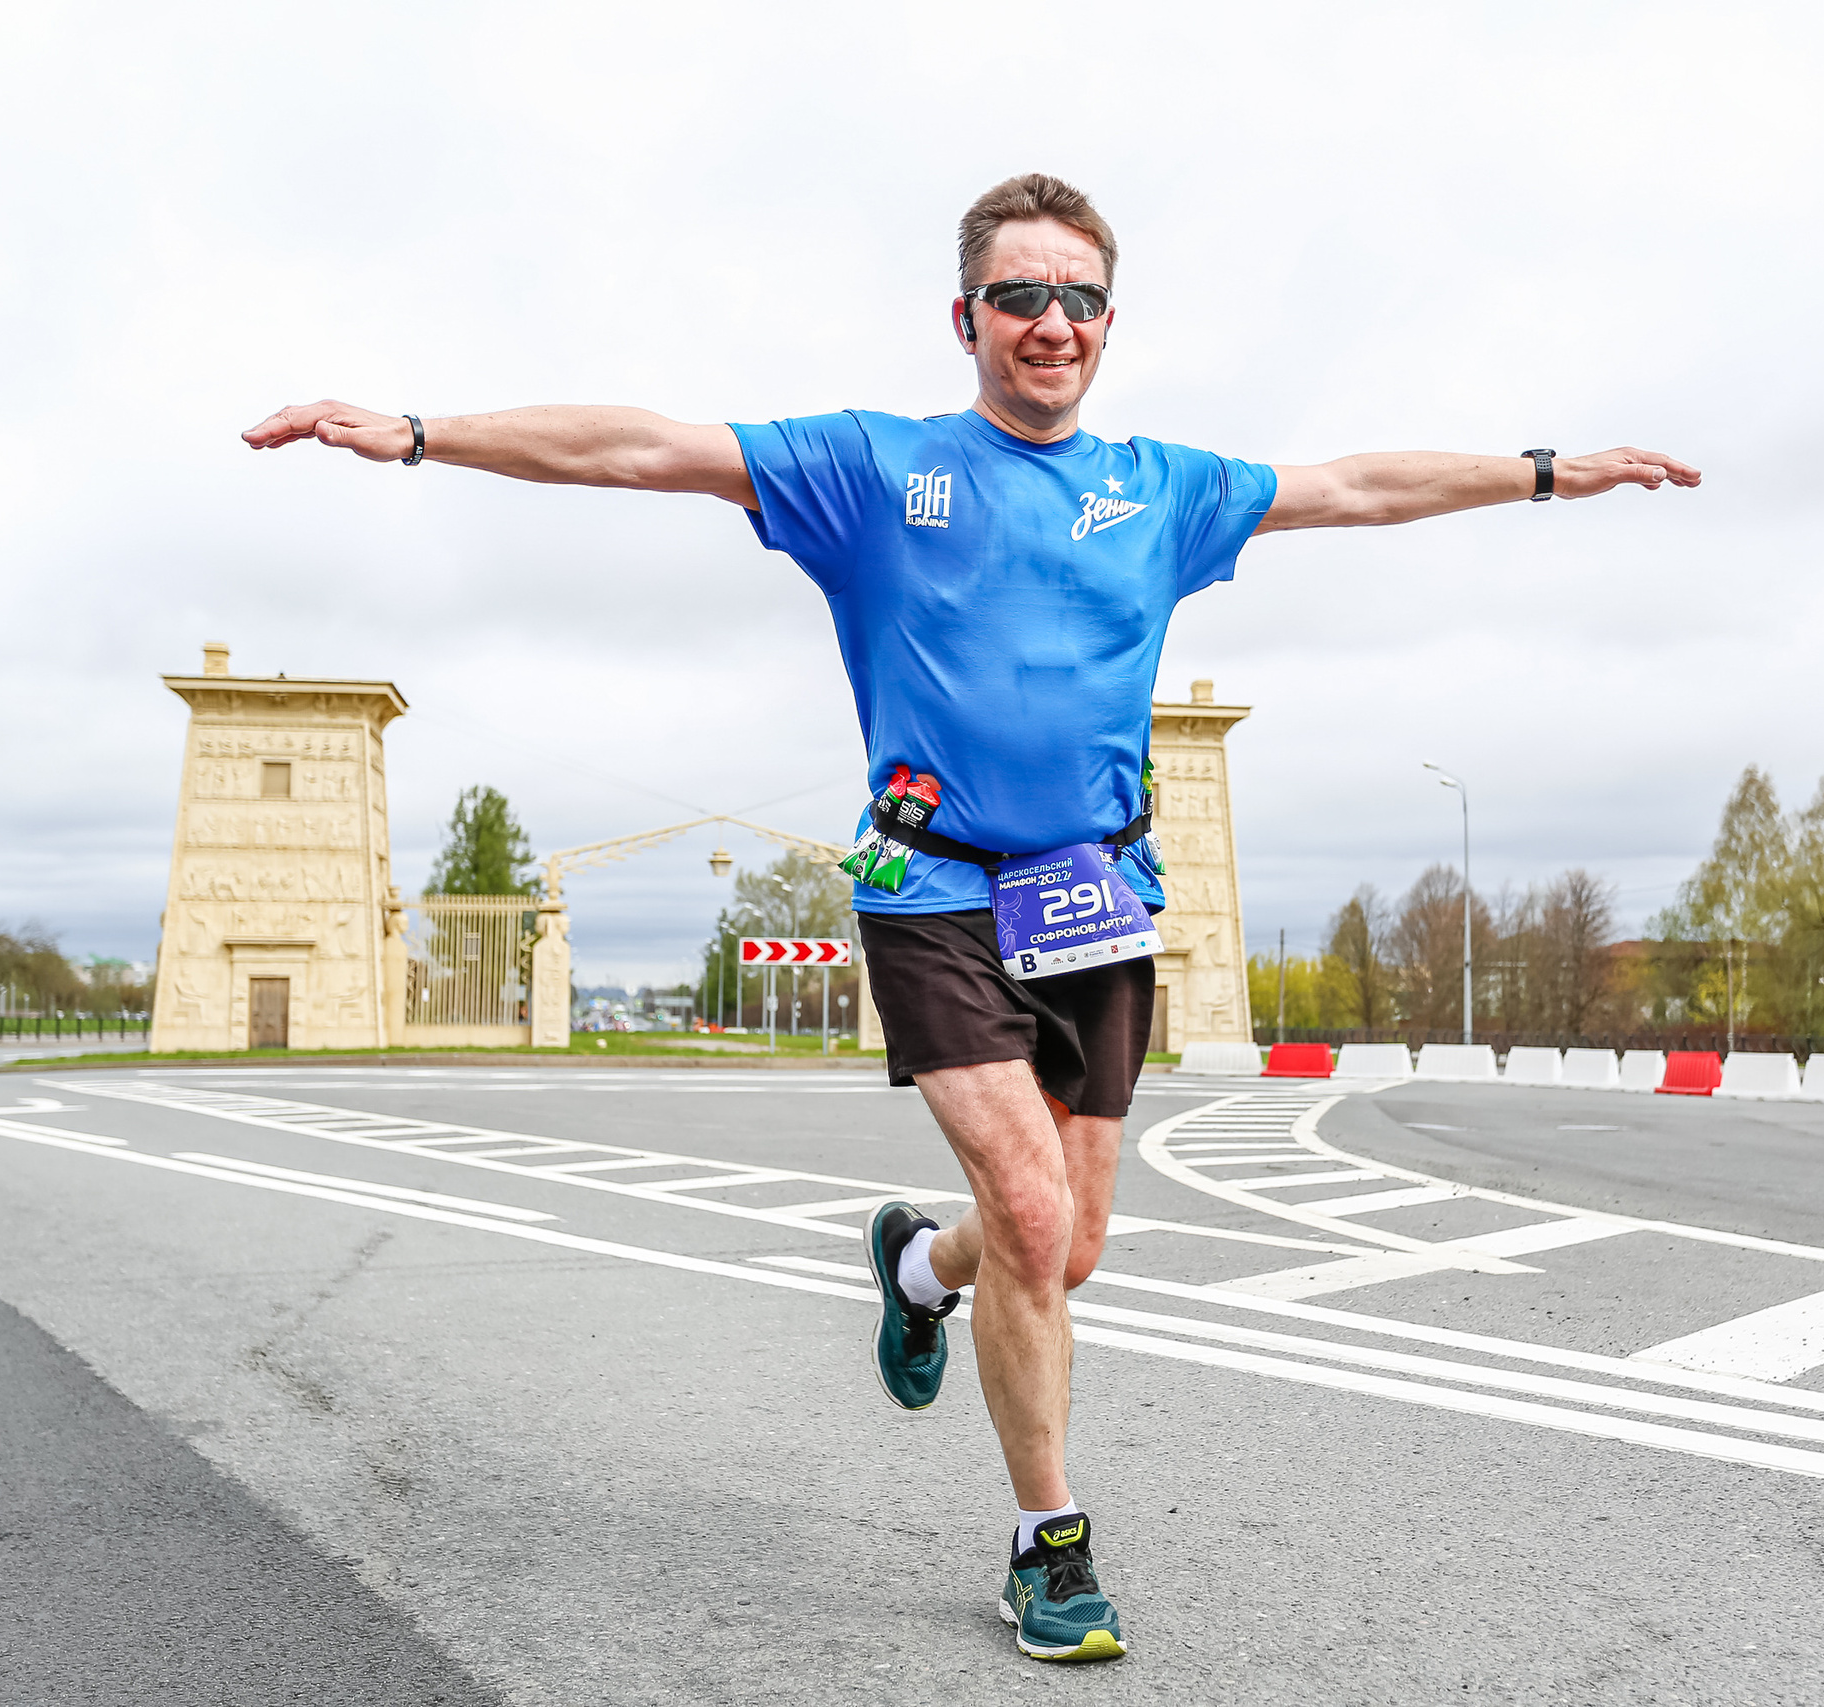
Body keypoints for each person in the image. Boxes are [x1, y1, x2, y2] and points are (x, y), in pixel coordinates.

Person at [243, 172, 1699, 1663]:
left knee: (1064, 1253)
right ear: (967, 317)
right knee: (1031, 1212)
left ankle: (910, 1272)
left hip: (1095, 896)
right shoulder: (875, 471)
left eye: (1078, 298)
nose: (1051, 323)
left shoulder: (1165, 489)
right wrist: (422, 435)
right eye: (1021, 295)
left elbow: (1359, 487)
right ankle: (1045, 1546)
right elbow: (640, 449)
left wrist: (1543, 472)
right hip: (931, 884)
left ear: (1108, 321)